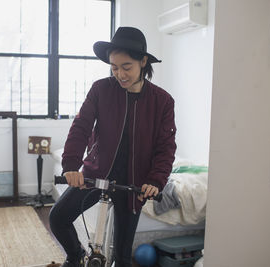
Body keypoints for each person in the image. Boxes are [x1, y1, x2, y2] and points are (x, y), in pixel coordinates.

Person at [49, 26, 177, 267]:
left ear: (143, 61)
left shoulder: (162, 101)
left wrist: (156, 180)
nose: (120, 74)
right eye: (114, 67)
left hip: (134, 183)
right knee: (58, 218)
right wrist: (71, 165)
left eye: (126, 67)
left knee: (123, 256)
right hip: (97, 173)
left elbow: (166, 146)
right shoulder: (101, 89)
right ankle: (75, 256)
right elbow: (81, 126)